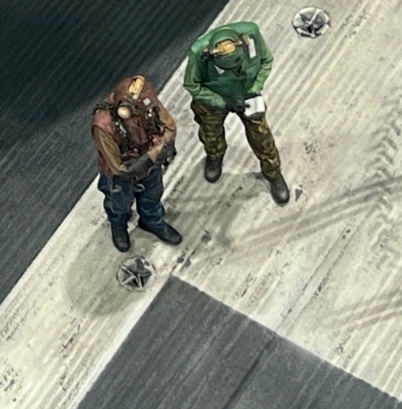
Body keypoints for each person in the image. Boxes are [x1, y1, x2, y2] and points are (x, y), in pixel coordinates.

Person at [183, 21, 290, 205]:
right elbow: (192, 85)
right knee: (211, 134)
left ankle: (273, 173)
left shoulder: (251, 34)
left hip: (247, 94)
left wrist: (255, 88)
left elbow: (266, 61)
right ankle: (214, 157)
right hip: (214, 98)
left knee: (262, 136)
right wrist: (222, 102)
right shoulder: (198, 53)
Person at [92, 74, 183, 252]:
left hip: (149, 163)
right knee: (118, 204)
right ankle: (118, 226)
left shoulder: (146, 103)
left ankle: (152, 222)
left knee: (152, 195)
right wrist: (155, 152)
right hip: (121, 174)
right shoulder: (103, 125)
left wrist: (160, 146)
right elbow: (119, 168)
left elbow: (169, 127)